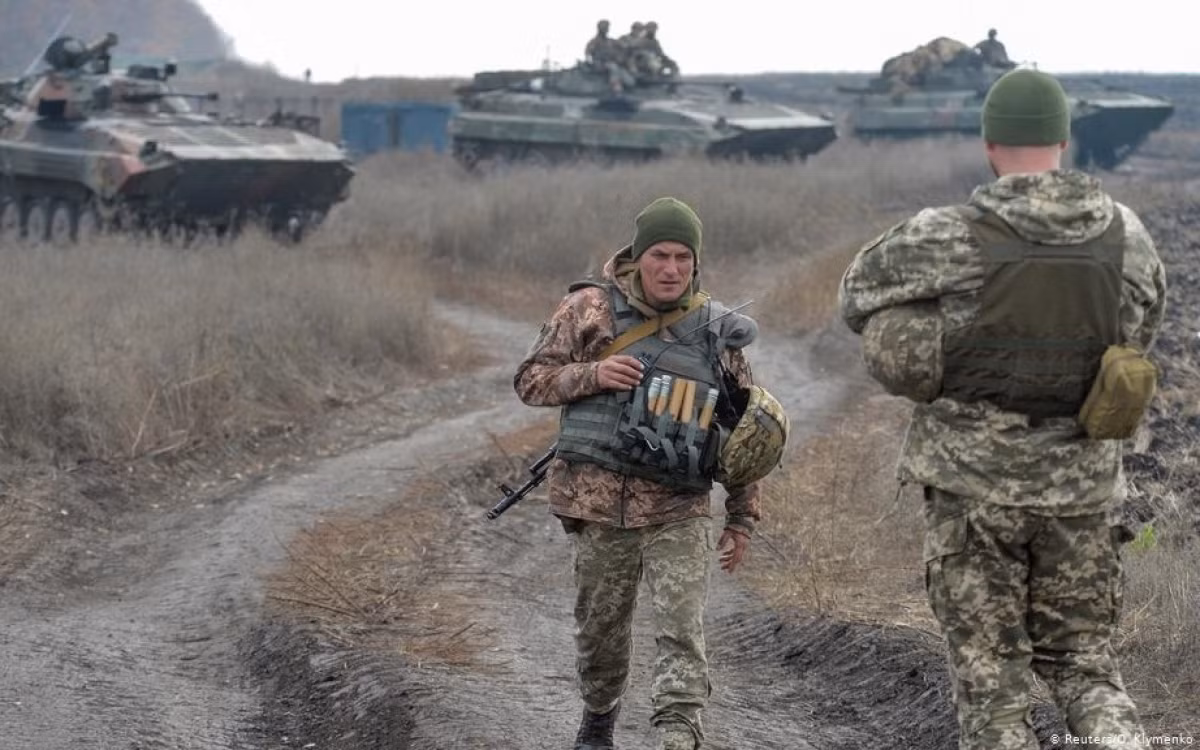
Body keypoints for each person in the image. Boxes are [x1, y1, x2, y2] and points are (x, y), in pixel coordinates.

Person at [837, 68, 1167, 750]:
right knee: (1086, 669)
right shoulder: (1126, 238)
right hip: (1080, 492)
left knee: (993, 686)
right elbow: (1140, 334)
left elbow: (856, 298)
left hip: (972, 494)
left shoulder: (949, 234)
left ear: (990, 143)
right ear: (1065, 139)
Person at [514, 197, 789, 750]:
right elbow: (530, 381)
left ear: (696, 262)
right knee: (601, 637)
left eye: (683, 257)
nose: (671, 269)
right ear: (638, 258)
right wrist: (592, 374)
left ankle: (677, 735)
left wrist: (741, 518)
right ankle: (598, 718)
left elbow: (742, 433)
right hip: (597, 507)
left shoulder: (717, 332)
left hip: (679, 506)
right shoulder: (587, 310)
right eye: (660, 255)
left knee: (681, 631)